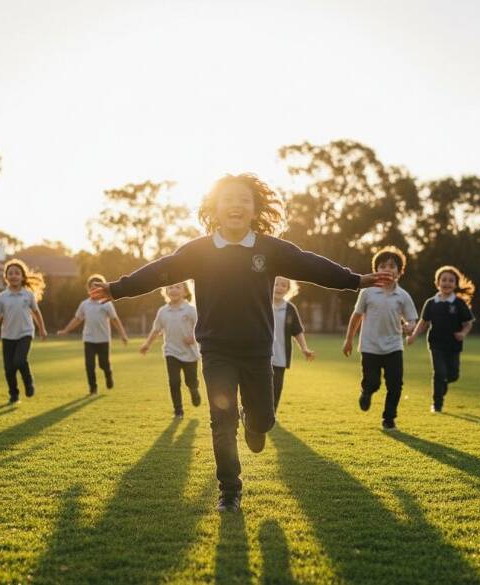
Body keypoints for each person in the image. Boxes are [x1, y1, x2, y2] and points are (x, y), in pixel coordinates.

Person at [91, 173, 393, 513]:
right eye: (228, 199)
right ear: (215, 208)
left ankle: (256, 423)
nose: (235, 205)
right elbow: (161, 270)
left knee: (263, 420)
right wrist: (118, 288)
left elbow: (309, 265)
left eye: (244, 200)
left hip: (256, 349)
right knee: (222, 420)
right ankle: (230, 490)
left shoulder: (269, 249)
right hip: (216, 349)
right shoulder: (199, 251)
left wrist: (353, 280)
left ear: (255, 209)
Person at [342, 246, 417, 429]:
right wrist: (349, 339)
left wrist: (410, 327)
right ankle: (366, 391)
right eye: (382, 266)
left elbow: (412, 319)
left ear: (399, 272)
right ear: (376, 271)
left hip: (394, 347)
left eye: (392, 266)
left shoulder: (403, 296)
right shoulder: (367, 292)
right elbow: (356, 317)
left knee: (395, 385)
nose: (387, 269)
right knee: (373, 382)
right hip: (370, 346)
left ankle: (389, 418)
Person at [407, 265, 476, 413]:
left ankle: (443, 385)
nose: (447, 283)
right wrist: (413, 335)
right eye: (443, 280)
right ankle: (437, 404)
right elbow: (424, 322)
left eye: (451, 280)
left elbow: (468, 323)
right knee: (439, 372)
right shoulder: (431, 303)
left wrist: (463, 333)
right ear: (437, 282)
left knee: (453, 375)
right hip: (435, 343)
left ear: (455, 284)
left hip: (453, 345)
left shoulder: (459, 303)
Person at [0, 259, 48, 404]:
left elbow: (36, 313)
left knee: (19, 360)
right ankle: (14, 394)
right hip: (7, 335)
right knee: (9, 369)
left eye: (17, 273)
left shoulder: (28, 295)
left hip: (25, 333)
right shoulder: (2, 296)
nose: (14, 275)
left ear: (22, 277)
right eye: (10, 273)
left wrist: (42, 329)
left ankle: (28, 382)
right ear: (6, 276)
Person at [57, 274, 129, 395]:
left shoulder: (106, 303)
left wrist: (123, 335)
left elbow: (115, 320)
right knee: (89, 365)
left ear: (103, 288)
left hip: (103, 340)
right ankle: (93, 388)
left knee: (103, 364)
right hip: (89, 339)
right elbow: (77, 319)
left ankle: (108, 373)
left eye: (97, 287)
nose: (94, 290)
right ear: (88, 289)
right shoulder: (84, 304)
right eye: (92, 287)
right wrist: (66, 330)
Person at [140, 281, 202, 418]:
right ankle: (178, 411)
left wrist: (193, 336)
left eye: (177, 287)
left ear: (185, 291)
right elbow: (156, 330)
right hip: (171, 352)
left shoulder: (190, 310)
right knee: (174, 382)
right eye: (170, 287)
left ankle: (194, 389)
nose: (173, 290)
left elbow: (201, 326)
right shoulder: (163, 311)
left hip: (190, 353)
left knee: (190, 381)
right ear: (166, 291)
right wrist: (147, 344)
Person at [270, 276, 314, 412]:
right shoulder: (263, 304)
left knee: (276, 388)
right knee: (260, 387)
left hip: (280, 358)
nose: (279, 288)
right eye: (276, 284)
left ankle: (271, 415)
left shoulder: (290, 308)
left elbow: (297, 331)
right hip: (261, 356)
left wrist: (304, 348)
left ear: (288, 289)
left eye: (283, 285)